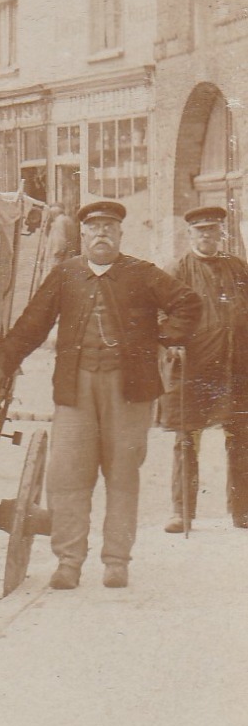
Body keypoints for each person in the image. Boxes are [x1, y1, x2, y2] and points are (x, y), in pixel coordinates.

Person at [0, 200, 201, 590]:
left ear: (120, 234)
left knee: (122, 475)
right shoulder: (65, 275)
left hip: (130, 392)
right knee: (67, 475)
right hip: (75, 391)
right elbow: (32, 324)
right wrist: (2, 360)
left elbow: (188, 303)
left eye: (109, 228)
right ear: (82, 235)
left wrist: (164, 337)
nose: (102, 233)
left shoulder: (143, 274)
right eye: (94, 228)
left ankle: (116, 561)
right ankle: (69, 561)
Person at [157, 206, 248, 532]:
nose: (208, 236)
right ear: (190, 234)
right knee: (187, 436)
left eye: (213, 230)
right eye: (201, 231)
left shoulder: (238, 267)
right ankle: (182, 512)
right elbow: (160, 314)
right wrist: (173, 340)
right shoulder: (178, 269)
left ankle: (243, 511)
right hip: (194, 366)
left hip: (236, 364)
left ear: (221, 232)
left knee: (241, 436)